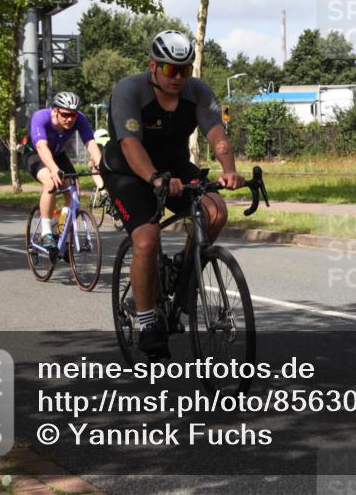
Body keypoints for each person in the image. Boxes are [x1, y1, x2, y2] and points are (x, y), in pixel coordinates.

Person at [100, 30, 244, 359]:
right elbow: (130, 144)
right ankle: (148, 322)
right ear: (153, 66)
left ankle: (185, 272)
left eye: (185, 69)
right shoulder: (129, 90)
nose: (179, 77)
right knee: (148, 241)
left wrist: (230, 169)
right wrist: (153, 178)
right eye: (171, 69)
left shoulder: (198, 91)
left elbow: (217, 135)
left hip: (175, 167)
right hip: (129, 172)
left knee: (215, 211)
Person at [22, 91, 102, 249]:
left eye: (73, 115)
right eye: (65, 114)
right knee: (51, 183)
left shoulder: (79, 119)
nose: (70, 119)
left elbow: (91, 143)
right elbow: (41, 146)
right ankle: (46, 234)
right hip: (35, 154)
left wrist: (101, 165)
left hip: (58, 154)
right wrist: (53, 169)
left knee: (74, 190)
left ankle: (60, 231)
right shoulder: (41, 117)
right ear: (55, 110)